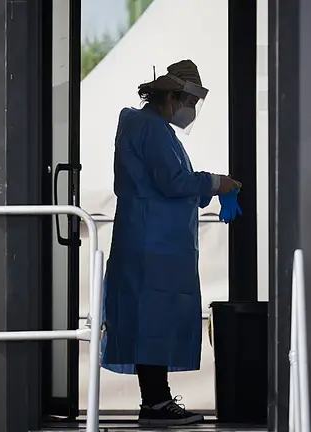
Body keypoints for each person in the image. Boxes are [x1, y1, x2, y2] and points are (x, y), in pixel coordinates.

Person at [101, 59, 241, 426]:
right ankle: (156, 404)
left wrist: (208, 185)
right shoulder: (150, 128)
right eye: (189, 102)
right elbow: (172, 182)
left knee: (152, 318)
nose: (190, 110)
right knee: (152, 318)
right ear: (172, 97)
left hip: (152, 238)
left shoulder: (148, 127)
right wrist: (215, 183)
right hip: (153, 242)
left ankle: (156, 401)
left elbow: (169, 181)